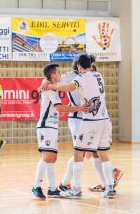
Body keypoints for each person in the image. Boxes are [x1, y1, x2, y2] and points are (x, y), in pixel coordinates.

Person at [44, 54, 116, 198]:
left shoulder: (81, 77)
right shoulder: (98, 75)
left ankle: (75, 188)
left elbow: (70, 87)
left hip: (89, 119)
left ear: (79, 65)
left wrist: (50, 86)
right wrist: (46, 82)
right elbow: (53, 78)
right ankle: (109, 187)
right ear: (90, 64)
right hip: (104, 119)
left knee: (79, 152)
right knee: (101, 153)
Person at [31, 64, 88, 200]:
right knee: (47, 157)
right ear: (52, 75)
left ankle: (52, 189)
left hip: (53, 126)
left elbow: (64, 88)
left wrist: (45, 81)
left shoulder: (54, 85)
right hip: (46, 125)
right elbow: (60, 109)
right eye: (58, 72)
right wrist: (79, 108)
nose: (61, 74)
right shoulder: (49, 89)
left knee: (53, 158)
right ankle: (36, 186)